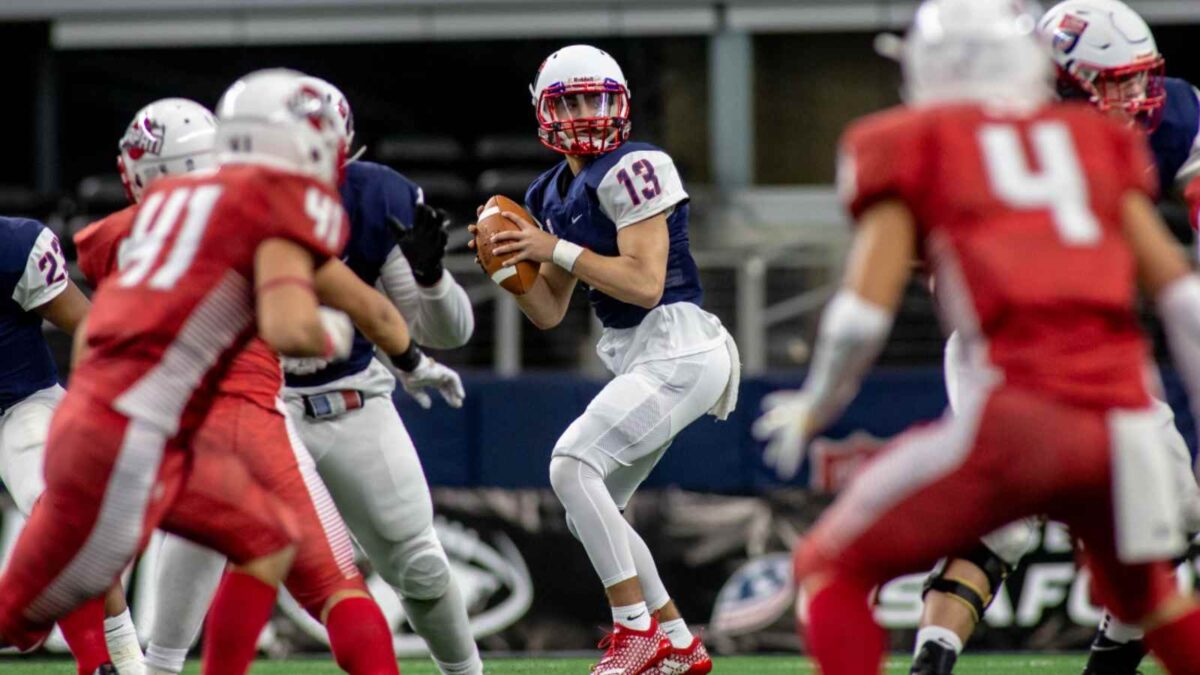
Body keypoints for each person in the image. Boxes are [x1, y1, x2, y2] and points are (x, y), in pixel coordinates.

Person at [752, 1, 1200, 672]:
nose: (1131, 99)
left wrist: (818, 401)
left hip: (1017, 407)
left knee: (828, 564)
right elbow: (1182, 297)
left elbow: (859, 318)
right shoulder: (1100, 147)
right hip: (1121, 407)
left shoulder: (909, 141)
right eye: (1110, 82)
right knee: (1152, 588)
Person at [0, 68, 357, 675]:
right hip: (154, 425)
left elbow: (102, 335)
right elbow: (302, 316)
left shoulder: (119, 233)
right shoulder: (261, 216)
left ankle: (112, 658)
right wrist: (339, 333)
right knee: (34, 608)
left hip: (125, 423)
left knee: (260, 543)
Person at [78, 95, 448, 675]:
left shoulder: (109, 240)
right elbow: (365, 313)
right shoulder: (260, 224)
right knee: (337, 588)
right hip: (254, 421)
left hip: (166, 433)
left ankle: (144, 665)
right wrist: (410, 360)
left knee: (213, 567)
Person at [909, 2, 1200, 672]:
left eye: (1141, 78)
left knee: (1174, 513)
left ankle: (1108, 664)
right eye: (1116, 83)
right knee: (1002, 517)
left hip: (1101, 343)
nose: (1138, 99)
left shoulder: (1171, 117)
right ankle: (933, 657)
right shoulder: (990, 127)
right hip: (1002, 342)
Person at [469, 44, 739, 674]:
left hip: (679, 345)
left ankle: (634, 630)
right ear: (544, 111)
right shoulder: (550, 190)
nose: (588, 113)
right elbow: (549, 311)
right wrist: (507, 267)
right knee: (595, 504)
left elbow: (644, 284)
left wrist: (551, 245)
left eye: (597, 98)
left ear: (619, 103)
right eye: (572, 101)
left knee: (571, 464)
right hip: (645, 355)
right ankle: (675, 641)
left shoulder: (636, 165)